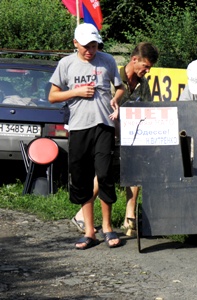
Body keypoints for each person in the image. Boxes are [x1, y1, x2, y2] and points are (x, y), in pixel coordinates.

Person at [49, 23, 126, 249]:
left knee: (104, 175)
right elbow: (53, 96)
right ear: (75, 44)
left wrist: (116, 99)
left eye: (93, 45)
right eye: (85, 46)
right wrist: (76, 92)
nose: (90, 50)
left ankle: (108, 228)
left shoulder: (107, 60)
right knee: (82, 177)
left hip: (104, 125)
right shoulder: (66, 64)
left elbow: (120, 87)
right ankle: (89, 231)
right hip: (79, 126)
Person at [71, 42, 160, 237]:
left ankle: (130, 218)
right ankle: (80, 216)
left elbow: (146, 109)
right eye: (145, 66)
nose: (146, 71)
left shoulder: (144, 85)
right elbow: (103, 107)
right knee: (104, 175)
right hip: (107, 133)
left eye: (149, 68)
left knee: (136, 170)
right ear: (134, 60)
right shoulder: (112, 75)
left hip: (132, 136)